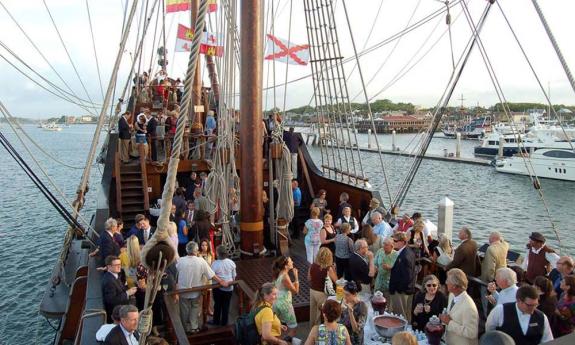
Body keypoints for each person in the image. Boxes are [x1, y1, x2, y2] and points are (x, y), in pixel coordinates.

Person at [176, 241, 228, 333]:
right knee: (194, 308)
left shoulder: (180, 260)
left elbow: (176, 273)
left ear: (187, 250)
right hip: (196, 291)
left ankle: (184, 329)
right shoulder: (201, 261)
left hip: (183, 291)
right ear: (196, 251)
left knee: (184, 310)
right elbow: (211, 275)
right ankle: (194, 327)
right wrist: (221, 281)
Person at [485, 285, 554, 344]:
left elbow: (548, 340)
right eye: (529, 305)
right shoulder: (500, 310)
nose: (533, 309)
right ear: (519, 301)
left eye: (535, 305)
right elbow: (490, 331)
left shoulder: (542, 317)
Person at [440, 268, 479, 345]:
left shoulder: (469, 307)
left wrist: (449, 322)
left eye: (448, 281)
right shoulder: (452, 295)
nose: (446, 282)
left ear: (454, 286)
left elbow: (471, 333)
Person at [480, 231, 509, 317]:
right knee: (497, 297)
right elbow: (504, 241)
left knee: (486, 297)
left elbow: (490, 268)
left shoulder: (491, 249)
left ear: (493, 239)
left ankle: (487, 315)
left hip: (490, 279)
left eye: (490, 237)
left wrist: (490, 280)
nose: (488, 239)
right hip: (501, 276)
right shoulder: (505, 246)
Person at [389, 232, 416, 322]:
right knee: (406, 314)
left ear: (402, 242)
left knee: (401, 316)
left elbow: (407, 277)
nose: (393, 242)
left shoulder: (405, 256)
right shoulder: (408, 251)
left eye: (395, 241)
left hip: (401, 292)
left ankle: (402, 334)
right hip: (405, 290)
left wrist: (398, 290)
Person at [102, 255, 137, 323]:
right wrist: (128, 293)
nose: (119, 266)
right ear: (109, 266)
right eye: (116, 265)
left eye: (120, 264)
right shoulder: (109, 281)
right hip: (118, 314)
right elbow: (111, 300)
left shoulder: (114, 275)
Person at [308, 247, 337, 325]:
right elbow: (336, 281)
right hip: (322, 293)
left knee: (313, 313)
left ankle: (312, 331)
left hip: (312, 291)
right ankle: (319, 332)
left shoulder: (312, 265)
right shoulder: (328, 269)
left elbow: (309, 278)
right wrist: (334, 270)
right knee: (321, 315)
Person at [271, 256, 299, 336]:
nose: (292, 262)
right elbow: (296, 291)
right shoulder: (285, 276)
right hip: (285, 305)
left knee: (279, 327)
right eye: (291, 261)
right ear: (286, 266)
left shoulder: (278, 274)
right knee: (293, 328)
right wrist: (296, 277)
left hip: (276, 303)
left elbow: (282, 287)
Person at [210, 245, 236, 326]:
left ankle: (216, 321)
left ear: (217, 254)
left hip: (218, 288)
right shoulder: (231, 263)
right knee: (226, 305)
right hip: (229, 287)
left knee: (217, 305)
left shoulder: (215, 264)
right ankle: (225, 322)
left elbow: (212, 275)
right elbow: (234, 276)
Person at [374, 238, 398, 303]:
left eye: (386, 245)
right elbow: (375, 262)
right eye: (384, 244)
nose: (384, 246)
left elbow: (398, 269)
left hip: (389, 282)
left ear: (392, 246)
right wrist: (375, 267)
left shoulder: (396, 254)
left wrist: (390, 268)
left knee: (387, 302)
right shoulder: (380, 251)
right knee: (377, 301)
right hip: (379, 281)